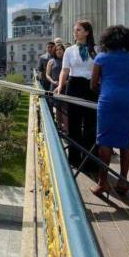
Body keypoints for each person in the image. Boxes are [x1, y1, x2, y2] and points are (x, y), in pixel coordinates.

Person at [90, 25, 129, 197]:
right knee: (126, 141)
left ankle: (103, 182)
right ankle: (123, 181)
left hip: (108, 100)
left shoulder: (101, 58)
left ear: (107, 40)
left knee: (105, 141)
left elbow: (93, 85)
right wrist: (125, 91)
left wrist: (107, 89)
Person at [55, 21, 98, 159]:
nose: (75, 32)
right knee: (74, 123)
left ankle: (89, 161)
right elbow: (65, 70)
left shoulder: (96, 50)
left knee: (91, 124)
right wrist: (60, 86)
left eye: (78, 30)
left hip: (91, 87)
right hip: (74, 86)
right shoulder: (69, 50)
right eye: (75, 30)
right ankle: (74, 159)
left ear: (87, 32)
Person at [46, 44, 65, 125]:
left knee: (65, 107)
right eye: (57, 50)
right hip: (54, 86)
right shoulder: (51, 61)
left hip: (65, 86)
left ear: (64, 50)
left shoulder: (67, 60)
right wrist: (53, 81)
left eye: (60, 49)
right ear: (54, 52)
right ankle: (58, 125)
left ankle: (65, 125)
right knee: (57, 106)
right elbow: (47, 75)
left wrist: (64, 82)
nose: (59, 51)